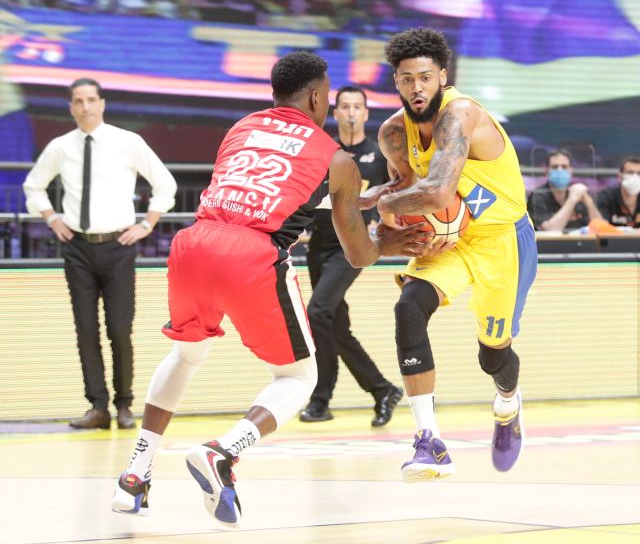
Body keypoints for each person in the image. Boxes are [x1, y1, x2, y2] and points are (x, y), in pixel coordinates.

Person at [111, 51, 427, 526]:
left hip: (193, 245)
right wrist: (388, 241)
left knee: (186, 355)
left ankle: (135, 474)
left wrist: (361, 198)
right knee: (299, 378)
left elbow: (273, 189)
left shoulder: (242, 128)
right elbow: (359, 254)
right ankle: (223, 451)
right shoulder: (336, 157)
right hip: (252, 256)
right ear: (317, 97)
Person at [375, 27, 538, 481]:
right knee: (409, 308)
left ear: (443, 77)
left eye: (425, 77)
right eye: (407, 79)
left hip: (503, 241)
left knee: (493, 356)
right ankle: (429, 441)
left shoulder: (460, 114)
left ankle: (507, 404)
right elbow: (410, 192)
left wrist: (386, 208)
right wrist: (394, 213)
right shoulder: (394, 133)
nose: (417, 87)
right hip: (453, 240)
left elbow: (437, 192)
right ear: (396, 81)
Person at [23, 77, 177, 430]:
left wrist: (147, 224)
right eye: (78, 101)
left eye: (91, 100)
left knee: (120, 328)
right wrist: (52, 218)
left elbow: (164, 183)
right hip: (77, 248)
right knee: (85, 329)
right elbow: (34, 186)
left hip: (118, 246)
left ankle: (124, 405)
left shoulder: (128, 142)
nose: (86, 107)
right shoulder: (60, 147)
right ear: (71, 107)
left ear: (102, 104)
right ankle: (97, 407)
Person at [299, 86, 404, 426]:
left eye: (357, 106)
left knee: (318, 312)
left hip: (351, 247)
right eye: (345, 106)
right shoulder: (325, 151)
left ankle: (320, 398)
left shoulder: (377, 155)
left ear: (366, 113)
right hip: (319, 245)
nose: (351, 112)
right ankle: (382, 390)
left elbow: (395, 194)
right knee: (334, 325)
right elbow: (308, 196)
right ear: (336, 113)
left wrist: (384, 223)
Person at [527, 150, 602, 231]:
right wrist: (571, 201)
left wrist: (589, 203)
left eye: (564, 167)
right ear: (546, 171)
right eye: (555, 167)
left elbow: (601, 228)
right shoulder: (538, 196)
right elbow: (549, 230)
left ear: (571, 171)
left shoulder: (577, 193)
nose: (560, 170)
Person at [596, 156, 640, 228]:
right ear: (620, 176)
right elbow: (600, 226)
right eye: (630, 173)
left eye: (639, 173)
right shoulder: (606, 196)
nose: (635, 177)